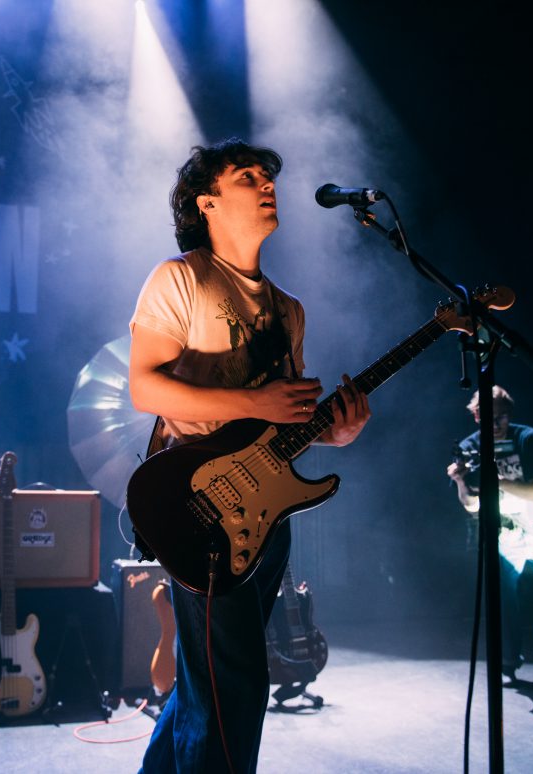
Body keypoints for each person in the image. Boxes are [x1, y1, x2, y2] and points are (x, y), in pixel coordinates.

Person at [129, 138, 371, 773]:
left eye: (268, 176)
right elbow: (144, 387)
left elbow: (278, 424)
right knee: (232, 685)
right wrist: (255, 401)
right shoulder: (180, 278)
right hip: (198, 506)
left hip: (266, 517)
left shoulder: (289, 310)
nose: (267, 183)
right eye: (247, 176)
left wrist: (332, 433)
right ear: (206, 202)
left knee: (209, 682)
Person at [446, 385, 533, 682]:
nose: (496, 424)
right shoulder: (470, 447)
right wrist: (461, 482)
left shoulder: (527, 439)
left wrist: (499, 481)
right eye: (489, 418)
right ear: (477, 416)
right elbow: (471, 506)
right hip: (503, 533)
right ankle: (509, 660)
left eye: (501, 417)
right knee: (504, 596)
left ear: (509, 415)